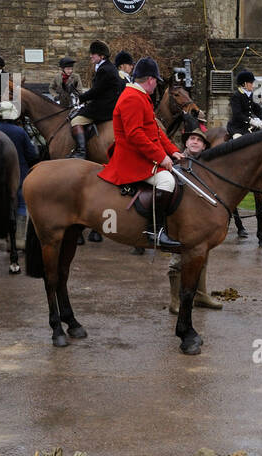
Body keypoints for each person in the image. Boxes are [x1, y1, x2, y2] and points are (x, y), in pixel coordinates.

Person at [95, 57, 181, 249]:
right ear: (150, 79)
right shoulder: (132, 98)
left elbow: (156, 131)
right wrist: (161, 157)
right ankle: (154, 231)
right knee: (167, 181)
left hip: (141, 154)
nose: (155, 85)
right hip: (131, 159)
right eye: (155, 82)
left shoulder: (141, 96)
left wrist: (174, 151)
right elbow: (135, 135)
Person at [167, 118, 222, 311]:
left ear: (205, 145)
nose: (195, 142)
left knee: (202, 256)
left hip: (201, 221)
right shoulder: (175, 162)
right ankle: (175, 300)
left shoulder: (208, 168)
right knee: (177, 260)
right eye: (191, 139)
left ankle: (201, 295)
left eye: (199, 140)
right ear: (186, 143)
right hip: (180, 220)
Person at [0, 97, 40, 251]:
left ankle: (7, 237)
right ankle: (19, 239)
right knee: (21, 204)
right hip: (20, 172)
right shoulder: (20, 132)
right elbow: (32, 155)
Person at [70, 41, 123, 158]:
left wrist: (81, 98)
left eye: (93, 54)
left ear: (101, 56)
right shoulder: (108, 67)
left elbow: (96, 91)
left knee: (76, 120)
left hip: (104, 107)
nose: (90, 56)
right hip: (108, 103)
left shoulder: (105, 69)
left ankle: (81, 151)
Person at [227, 69, 262, 137]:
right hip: (237, 128)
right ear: (244, 84)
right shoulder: (236, 96)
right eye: (251, 83)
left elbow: (257, 109)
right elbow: (237, 114)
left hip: (248, 127)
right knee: (238, 140)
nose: (253, 85)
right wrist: (252, 121)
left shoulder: (251, 95)